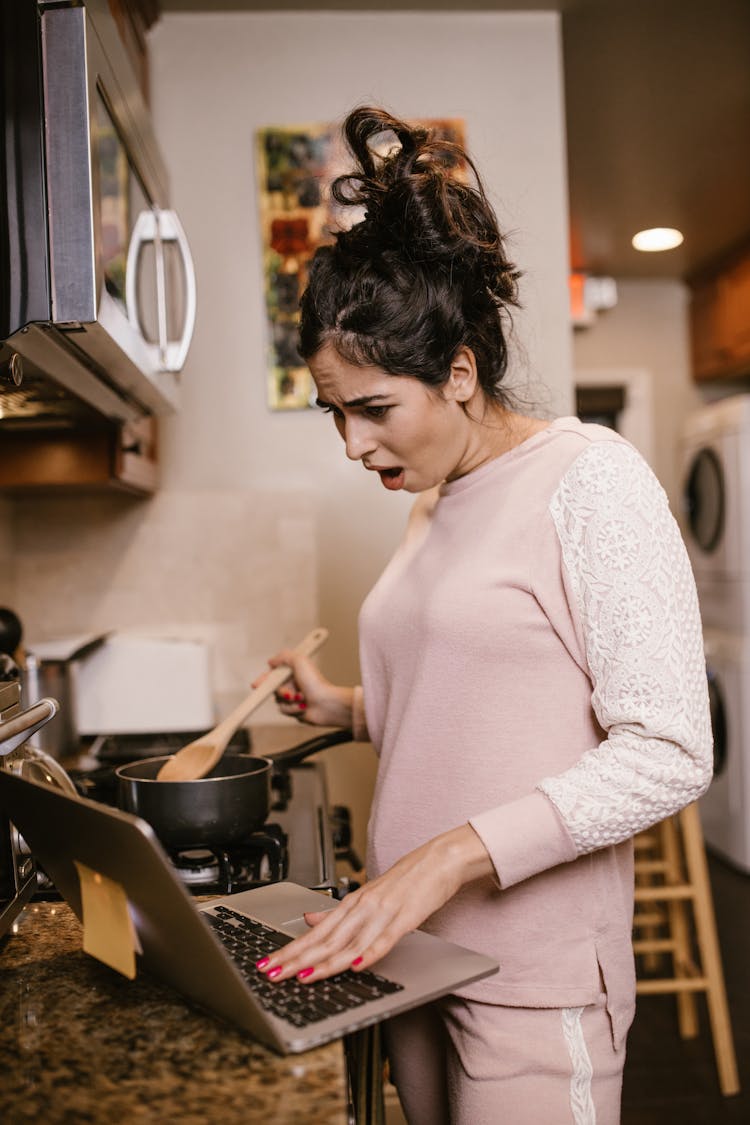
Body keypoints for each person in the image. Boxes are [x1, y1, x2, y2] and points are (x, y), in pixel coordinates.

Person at [253, 106, 713, 1125]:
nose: (349, 444)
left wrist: (449, 856)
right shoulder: (433, 497)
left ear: (459, 371)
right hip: (411, 948)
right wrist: (342, 702)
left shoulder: (590, 480)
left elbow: (671, 749)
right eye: (334, 410)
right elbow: (481, 694)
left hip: (531, 974)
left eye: (372, 409)